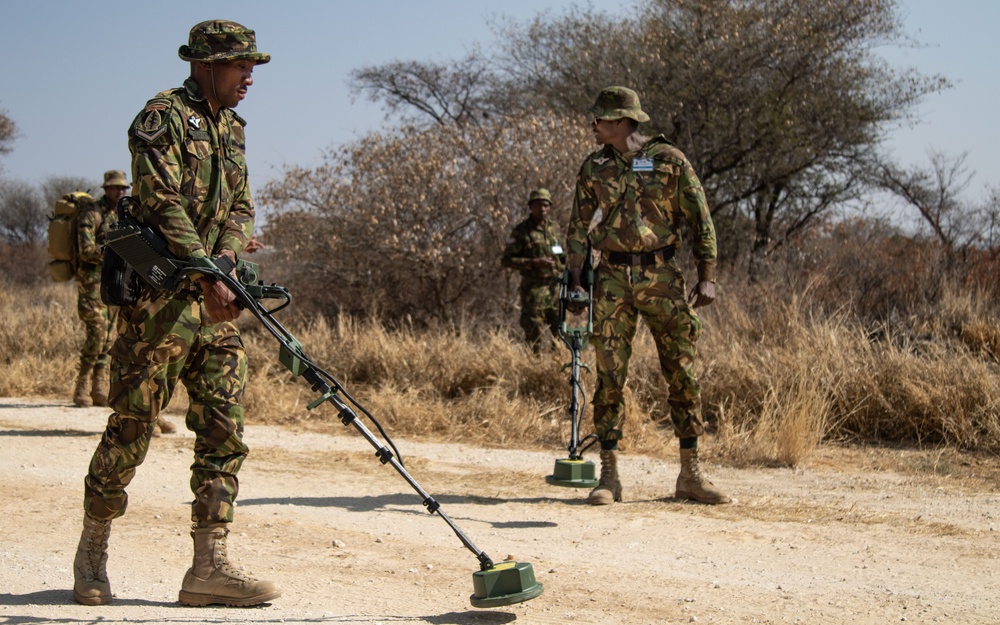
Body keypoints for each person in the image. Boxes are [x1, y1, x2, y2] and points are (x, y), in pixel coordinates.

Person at [72, 20, 280, 607]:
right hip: (160, 302)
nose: (249, 78)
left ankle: (208, 566)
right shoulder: (160, 117)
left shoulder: (232, 128)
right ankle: (92, 551)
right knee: (132, 425)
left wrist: (229, 261)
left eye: (251, 67)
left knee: (224, 426)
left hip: (214, 300)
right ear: (206, 65)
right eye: (241, 67)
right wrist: (206, 272)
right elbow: (161, 203)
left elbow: (241, 203)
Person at [566, 86, 731, 506]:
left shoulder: (669, 161)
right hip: (612, 280)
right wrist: (576, 282)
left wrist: (707, 275)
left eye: (600, 119)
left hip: (663, 276)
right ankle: (609, 476)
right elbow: (577, 227)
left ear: (622, 121)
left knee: (682, 372)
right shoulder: (594, 166)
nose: (593, 125)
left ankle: (690, 475)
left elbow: (701, 218)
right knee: (608, 377)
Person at [72, 171, 129, 409]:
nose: (121, 192)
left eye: (123, 188)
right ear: (106, 189)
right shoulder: (91, 213)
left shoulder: (126, 214)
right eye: (116, 188)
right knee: (97, 333)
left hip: (114, 284)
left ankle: (98, 388)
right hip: (91, 282)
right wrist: (111, 253)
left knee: (108, 337)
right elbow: (85, 249)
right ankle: (81, 386)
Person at [501, 188, 566, 352]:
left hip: (555, 290)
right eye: (538, 205)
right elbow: (507, 260)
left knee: (561, 332)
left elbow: (562, 255)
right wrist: (533, 262)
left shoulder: (554, 229)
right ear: (531, 207)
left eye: (545, 205)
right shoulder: (522, 231)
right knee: (534, 334)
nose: (542, 209)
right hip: (533, 292)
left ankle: (556, 368)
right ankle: (534, 368)